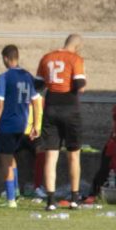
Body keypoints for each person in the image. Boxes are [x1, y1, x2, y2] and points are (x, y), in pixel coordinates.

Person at [36, 34, 87, 210]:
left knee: (51, 156)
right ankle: (74, 198)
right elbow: (80, 84)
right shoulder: (75, 58)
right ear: (78, 47)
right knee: (74, 154)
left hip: (50, 107)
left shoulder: (47, 57)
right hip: (70, 107)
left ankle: (50, 201)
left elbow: (38, 85)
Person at [0, 45, 41, 208]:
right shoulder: (27, 76)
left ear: (6, 58)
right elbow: (36, 101)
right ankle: (16, 193)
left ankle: (10, 199)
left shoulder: (4, 77)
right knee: (12, 158)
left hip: (7, 124)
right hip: (22, 124)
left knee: (5, 160)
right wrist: (35, 124)